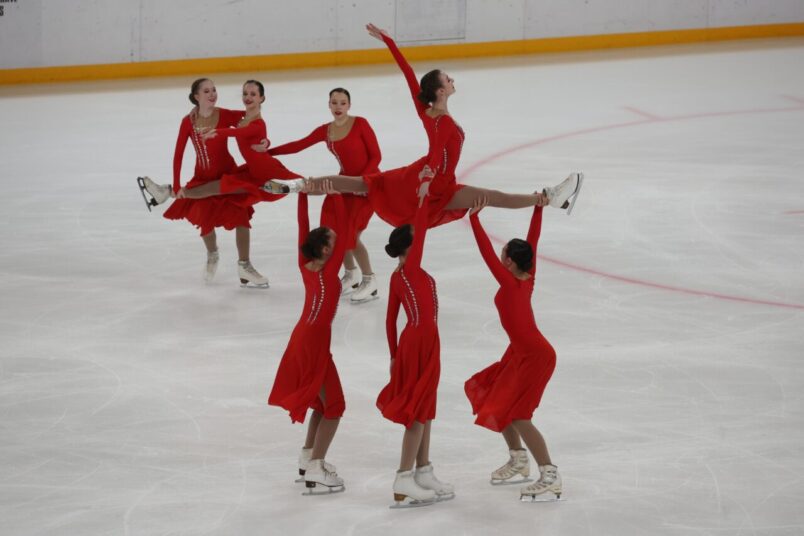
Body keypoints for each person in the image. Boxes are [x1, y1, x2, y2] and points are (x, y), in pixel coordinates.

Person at [263, 24, 583, 227]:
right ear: (440, 91)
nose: (453, 80)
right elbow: (436, 154)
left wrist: (390, 41)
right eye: (449, 79)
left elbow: (408, 74)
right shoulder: (441, 121)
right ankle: (547, 196)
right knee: (494, 196)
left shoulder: (426, 111)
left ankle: (297, 185)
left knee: (361, 183)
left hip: (418, 177)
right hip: (435, 184)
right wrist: (429, 179)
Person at [464, 195, 564, 502]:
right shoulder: (526, 277)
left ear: (509, 262)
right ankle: (519, 458)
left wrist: (475, 221)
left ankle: (549, 474)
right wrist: (537, 209)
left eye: (503, 253)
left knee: (520, 415)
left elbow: (485, 254)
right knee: (493, 395)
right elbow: (533, 241)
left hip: (536, 356)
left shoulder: (509, 282)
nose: (499, 255)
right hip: (519, 353)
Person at [136, 78, 269, 286]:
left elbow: (252, 118)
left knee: (241, 215)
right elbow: (178, 154)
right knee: (204, 219)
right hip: (203, 176)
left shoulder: (225, 115)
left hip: (227, 174)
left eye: (214, 90)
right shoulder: (187, 121)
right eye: (206, 91)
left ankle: (245, 265)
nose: (212, 94)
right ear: (196, 97)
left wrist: (265, 141)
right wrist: (178, 182)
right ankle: (212, 254)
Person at [267, 181, 350, 495]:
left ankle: (307, 458)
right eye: (333, 240)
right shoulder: (328, 272)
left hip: (304, 338)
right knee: (336, 406)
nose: (338, 240)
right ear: (327, 250)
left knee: (321, 402)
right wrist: (339, 195)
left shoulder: (307, 266)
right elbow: (339, 227)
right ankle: (316, 466)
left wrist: (302, 197)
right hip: (313, 342)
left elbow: (303, 231)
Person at [377, 169, 453, 508]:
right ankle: (403, 477)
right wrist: (422, 196)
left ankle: (423, 471)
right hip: (418, 344)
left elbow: (391, 320)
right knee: (417, 412)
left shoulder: (406, 274)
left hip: (423, 342)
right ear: (411, 246)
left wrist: (394, 353)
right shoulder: (407, 270)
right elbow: (391, 318)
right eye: (417, 238)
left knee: (427, 407)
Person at [267, 87, 382, 303]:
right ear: (328, 105)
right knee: (335, 230)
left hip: (366, 186)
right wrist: (268, 152)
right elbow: (299, 145)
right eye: (334, 102)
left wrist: (362, 182)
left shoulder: (361, 124)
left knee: (352, 236)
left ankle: (370, 280)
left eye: (342, 103)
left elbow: (376, 156)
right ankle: (351, 274)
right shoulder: (326, 131)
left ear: (349, 105)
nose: (338, 107)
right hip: (343, 185)